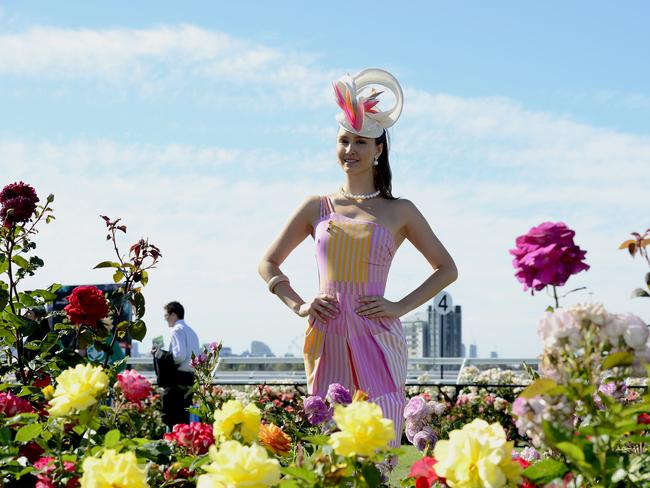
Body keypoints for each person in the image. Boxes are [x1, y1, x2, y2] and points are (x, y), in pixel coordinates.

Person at [258, 68, 458, 468]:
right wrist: (299, 305)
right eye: (344, 140)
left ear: (378, 150)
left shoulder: (399, 210)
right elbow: (268, 263)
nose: (350, 149)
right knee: (328, 444)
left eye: (361, 142)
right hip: (327, 331)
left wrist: (399, 306)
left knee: (380, 443)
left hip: (377, 336)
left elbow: (446, 269)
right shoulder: (316, 207)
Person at [160, 301, 201, 429]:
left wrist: (164, 358)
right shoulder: (192, 332)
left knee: (172, 416)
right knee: (184, 415)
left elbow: (179, 355)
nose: (165, 318)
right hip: (190, 376)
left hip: (178, 377)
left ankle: (171, 443)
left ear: (173, 314)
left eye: (166, 315)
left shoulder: (176, 330)